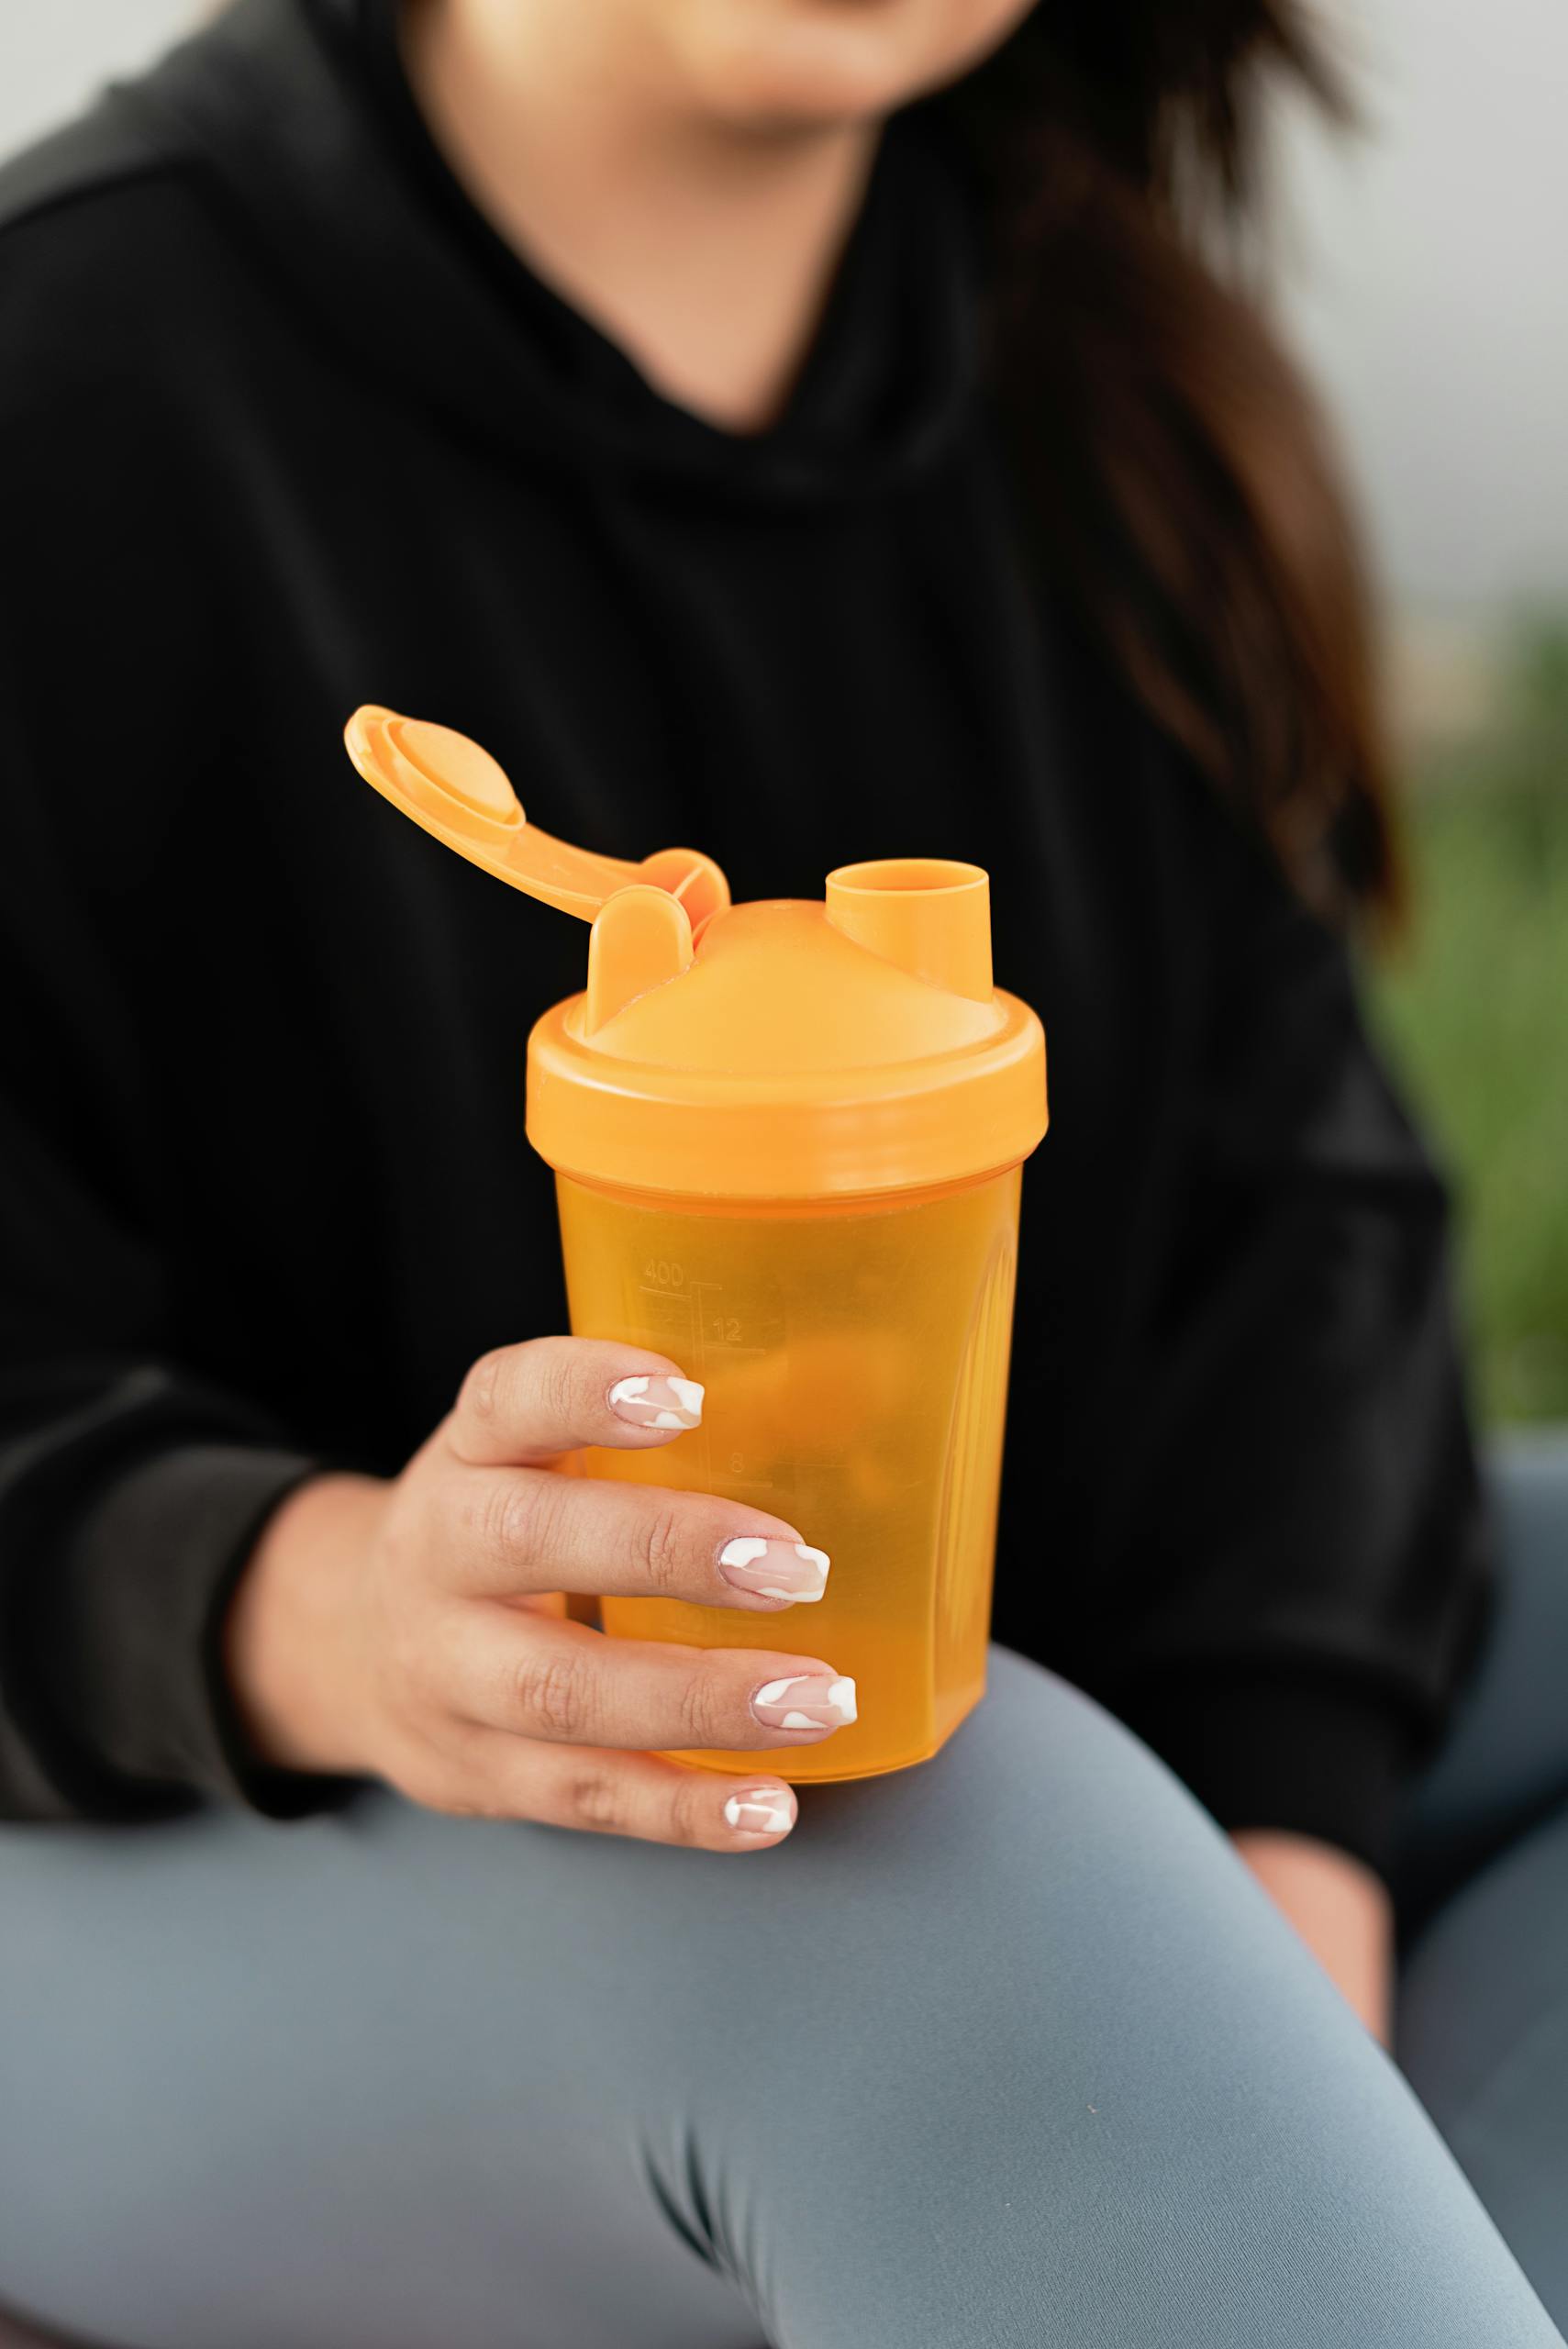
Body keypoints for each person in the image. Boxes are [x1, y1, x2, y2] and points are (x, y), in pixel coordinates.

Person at [1, 1, 1565, 2342]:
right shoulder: (70, 387)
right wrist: (330, 1609)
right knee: (940, 1834)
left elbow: (1301, 1231)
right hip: (147, 1831)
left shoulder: (1115, 375)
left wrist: (1287, 1852)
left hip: (965, 1739)